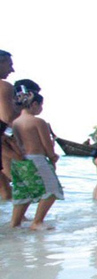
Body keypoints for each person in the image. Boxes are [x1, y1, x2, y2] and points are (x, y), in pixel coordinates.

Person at [9, 92, 63, 229]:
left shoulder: (15, 122)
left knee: (23, 192)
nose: (41, 108)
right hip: (37, 159)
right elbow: (46, 144)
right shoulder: (38, 121)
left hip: (20, 161)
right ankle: (37, 222)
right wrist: (53, 157)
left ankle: (15, 223)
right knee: (52, 190)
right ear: (34, 104)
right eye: (41, 105)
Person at [0, 51, 18, 199]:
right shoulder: (4, 86)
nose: (12, 70)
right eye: (9, 65)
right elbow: (7, 117)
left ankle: (12, 222)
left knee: (4, 189)